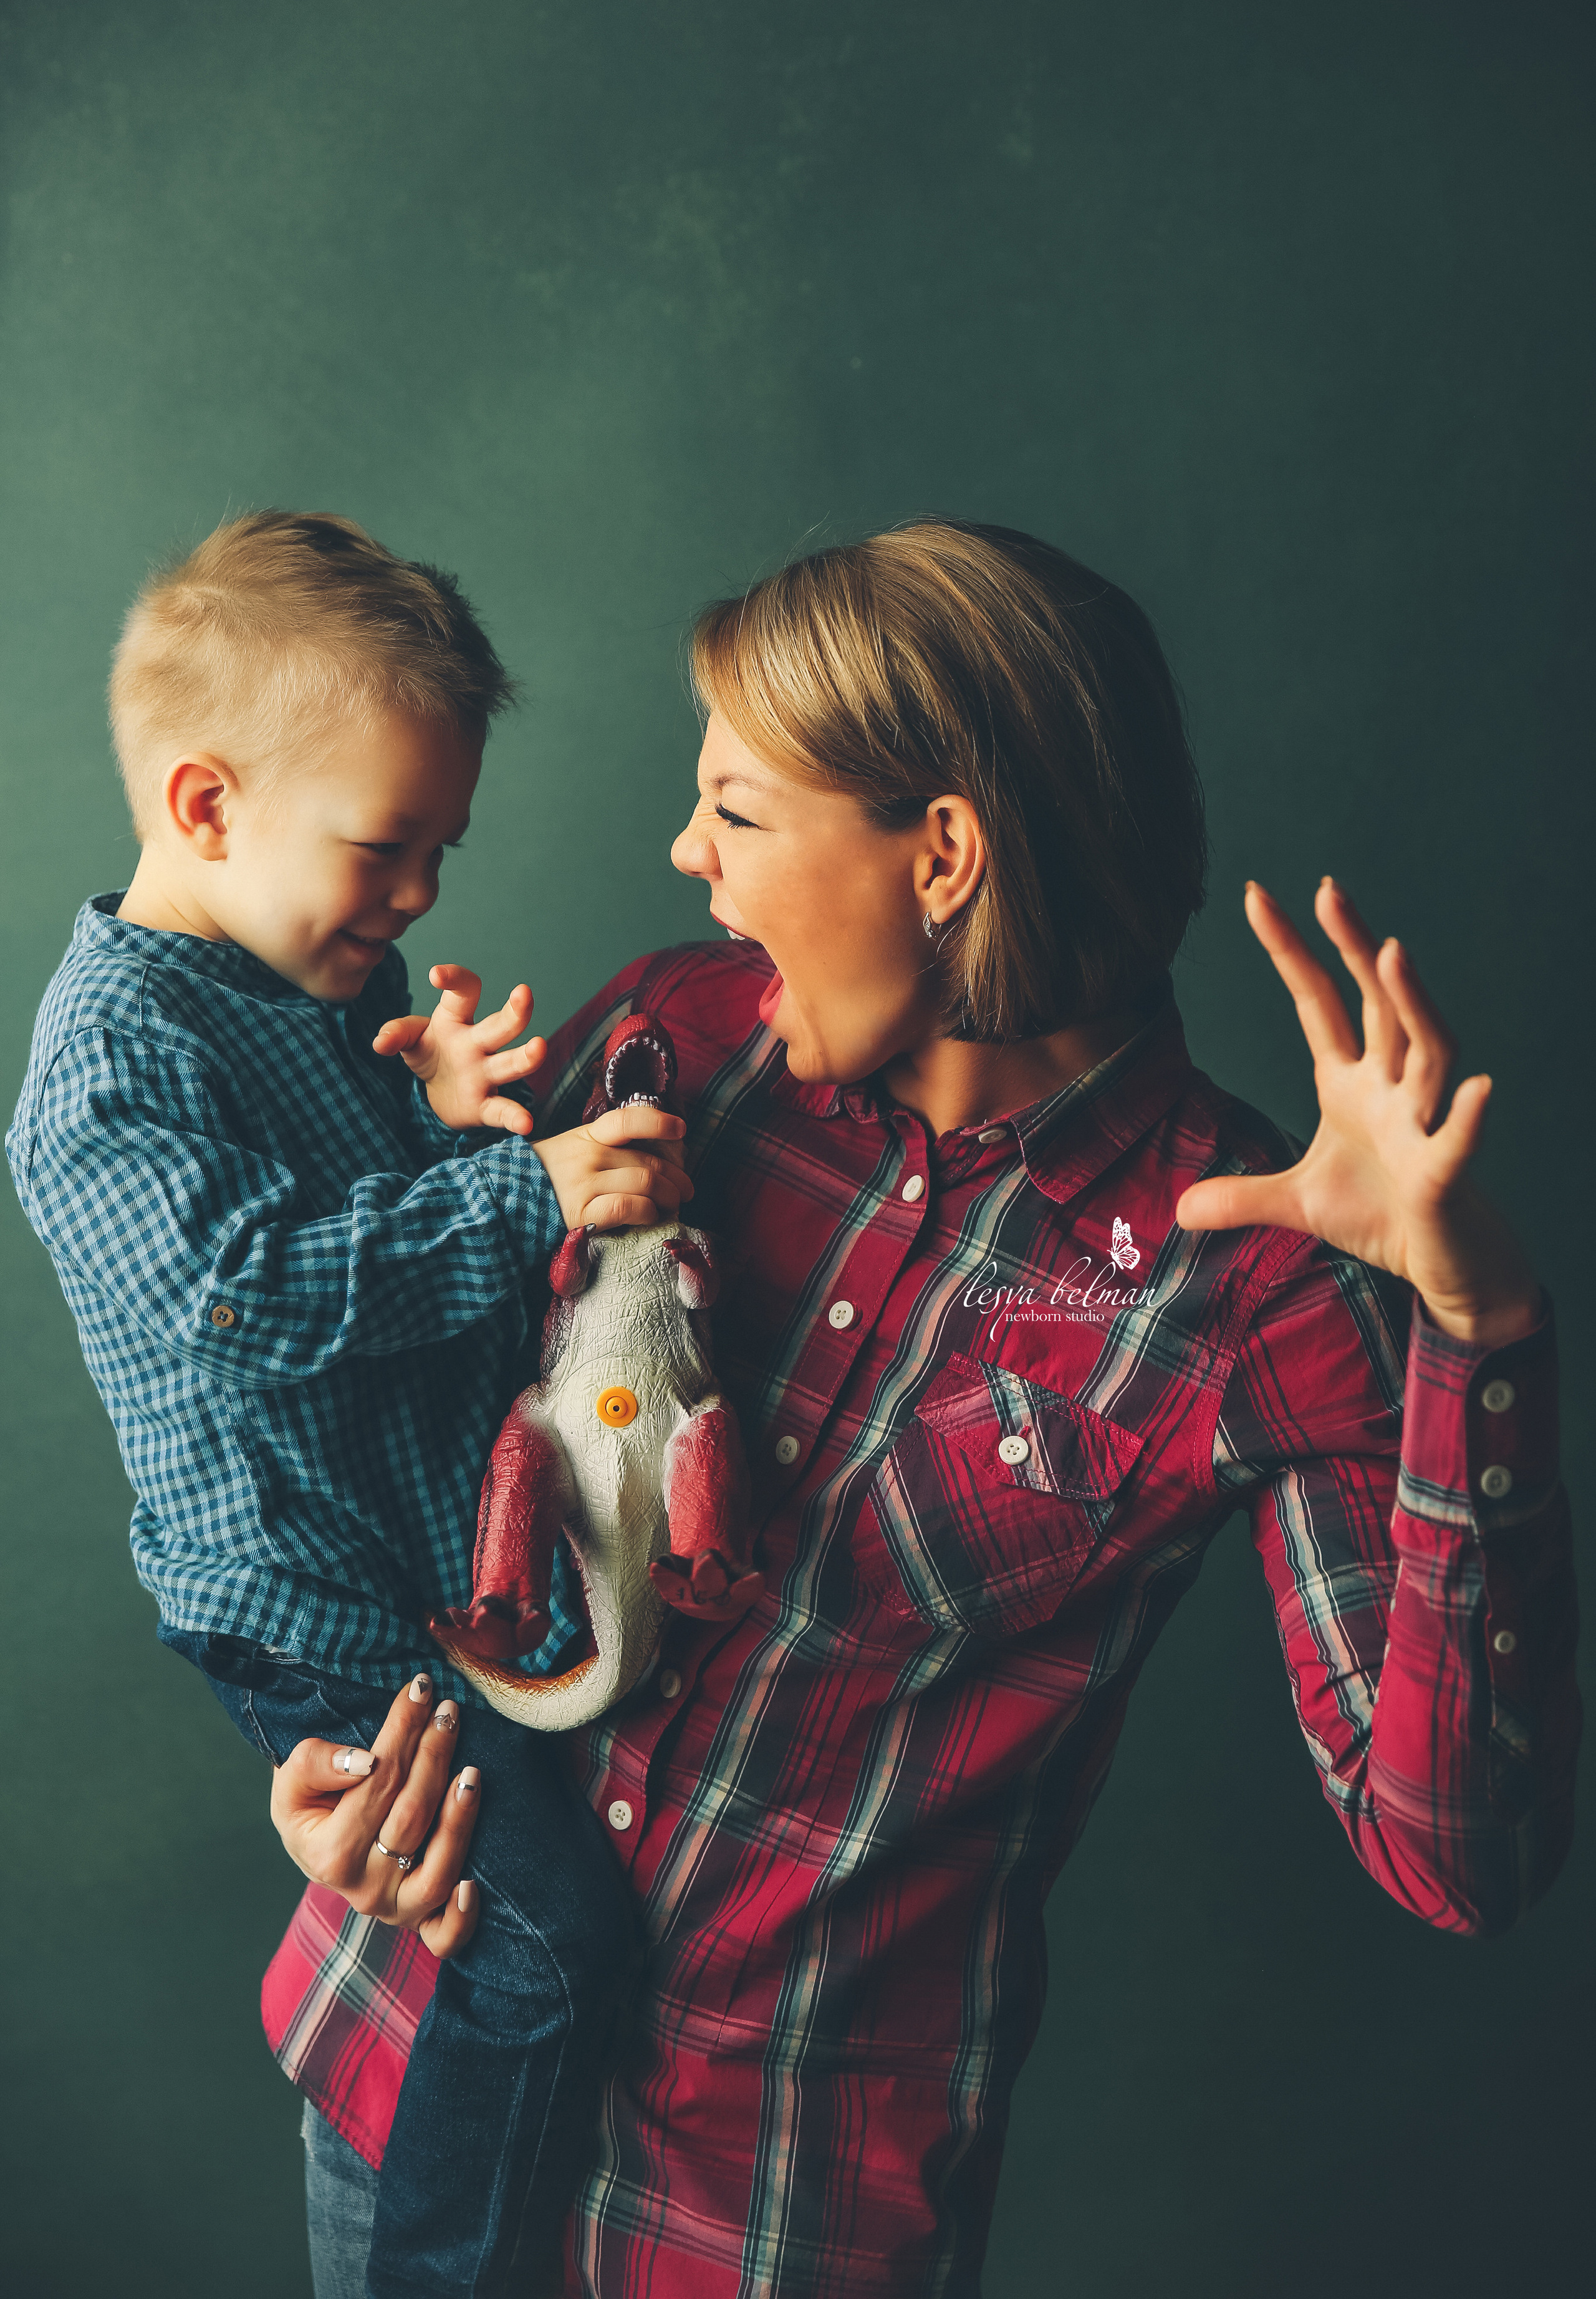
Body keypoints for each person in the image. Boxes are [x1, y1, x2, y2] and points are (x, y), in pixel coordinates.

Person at [264, 523, 1576, 2296]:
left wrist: (1470, 1333)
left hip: (764, 2219)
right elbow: (419, 1456)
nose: (686, 858)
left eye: (737, 809)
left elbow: (1458, 1860)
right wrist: (340, 1751)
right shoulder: (665, 1044)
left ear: (941, 852)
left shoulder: (1257, 1276)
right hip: (407, 2055)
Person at [4, 512, 698, 2299]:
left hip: (430, 1554)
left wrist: (441, 1110)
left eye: (441, 853)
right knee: (546, 1943)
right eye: (387, 852)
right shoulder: (106, 1071)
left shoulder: (314, 969)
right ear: (207, 803)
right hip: (314, 1607)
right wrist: (523, 1192)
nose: (417, 903)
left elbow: (360, 1198)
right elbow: (258, 1292)